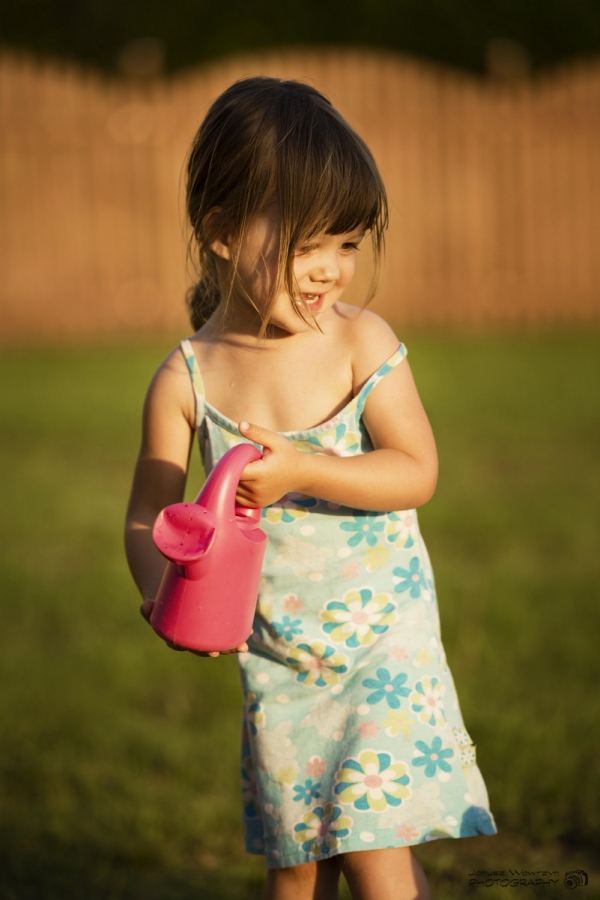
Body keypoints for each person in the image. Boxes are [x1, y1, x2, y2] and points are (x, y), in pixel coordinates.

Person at [125, 76, 496, 900]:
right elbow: (148, 516)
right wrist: (163, 597)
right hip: (277, 659)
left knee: (373, 847)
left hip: (382, 647)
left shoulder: (362, 342)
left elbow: (415, 470)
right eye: (308, 244)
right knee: (297, 870)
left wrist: (304, 469)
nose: (331, 269)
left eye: (350, 243)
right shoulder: (187, 379)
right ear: (222, 233)